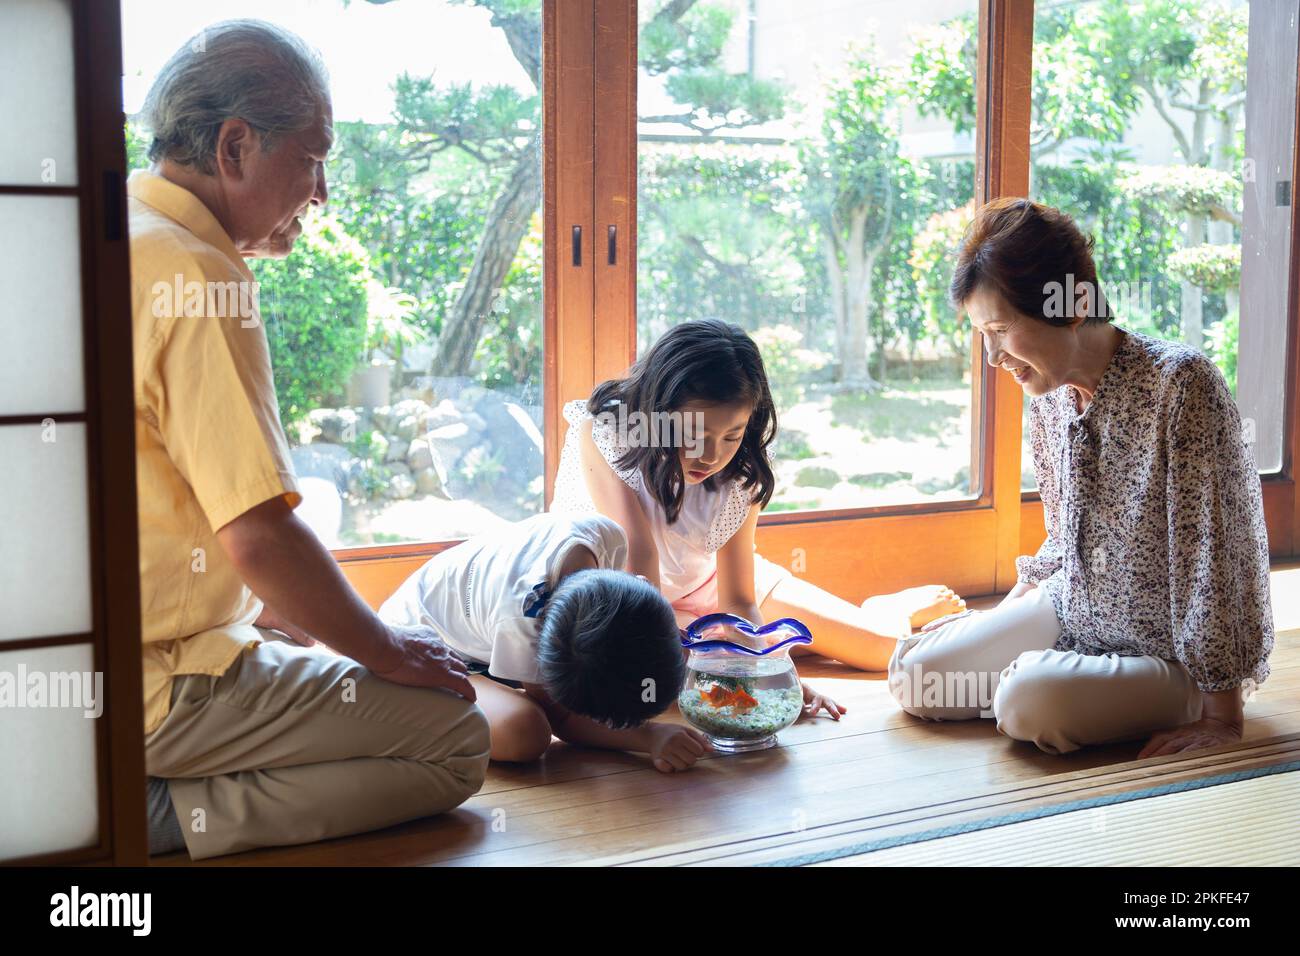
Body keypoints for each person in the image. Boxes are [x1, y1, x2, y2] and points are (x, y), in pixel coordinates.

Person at [133, 20, 489, 861]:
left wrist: (267, 616)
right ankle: (150, 813)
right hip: (157, 689)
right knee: (455, 738)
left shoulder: (106, 230)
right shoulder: (197, 270)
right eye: (314, 158)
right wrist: (383, 647)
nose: (322, 192)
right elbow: (256, 531)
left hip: (71, 672)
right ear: (234, 146)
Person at [887, 196, 1274, 757]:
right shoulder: (1048, 393)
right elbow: (1064, 534)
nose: (993, 356)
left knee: (1027, 701)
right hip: (1073, 607)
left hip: (1170, 655)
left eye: (1000, 328)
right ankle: (1062, 679)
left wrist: (1222, 717)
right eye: (981, 335)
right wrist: (1004, 623)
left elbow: (1211, 558)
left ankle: (1176, 695)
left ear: (1071, 307)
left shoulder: (1181, 385)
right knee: (915, 674)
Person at [551, 319, 959, 692]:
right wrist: (746, 669)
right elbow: (641, 569)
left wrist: (772, 679)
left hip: (706, 587)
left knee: (881, 648)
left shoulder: (744, 469)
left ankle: (885, 609)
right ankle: (718, 643)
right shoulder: (608, 431)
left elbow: (738, 597)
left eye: (732, 435)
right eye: (696, 433)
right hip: (628, 599)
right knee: (658, 672)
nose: (711, 456)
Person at [380, 512, 714, 773]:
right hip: (422, 647)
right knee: (525, 734)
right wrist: (648, 737)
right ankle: (405, 711)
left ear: (641, 584)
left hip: (480, 623)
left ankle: (498, 681)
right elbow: (563, 722)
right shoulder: (521, 621)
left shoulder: (602, 535)